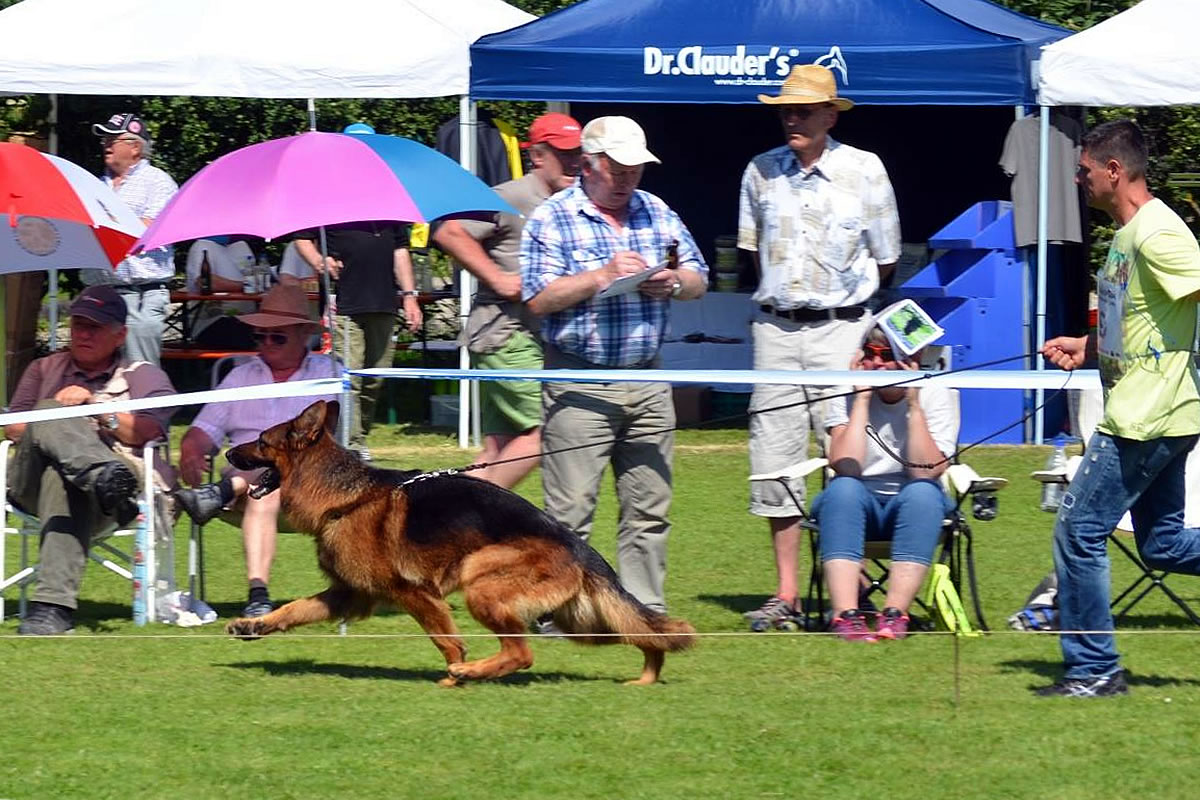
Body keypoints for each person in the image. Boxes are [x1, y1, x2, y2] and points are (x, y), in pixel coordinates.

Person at [1038, 119, 1200, 698]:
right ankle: (1094, 669)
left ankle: (1093, 670)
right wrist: (1086, 348)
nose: (1077, 179)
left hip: (1144, 418)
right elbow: (1141, 322)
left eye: (1083, 170)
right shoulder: (1128, 236)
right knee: (1162, 544)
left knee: (1078, 531)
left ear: (1113, 170)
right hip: (1160, 413)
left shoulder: (1159, 233)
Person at [520, 115, 708, 613]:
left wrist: (674, 282)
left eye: (635, 169)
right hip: (578, 380)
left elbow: (699, 278)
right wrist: (600, 275)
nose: (628, 179)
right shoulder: (553, 218)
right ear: (588, 164)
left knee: (649, 508)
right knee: (569, 511)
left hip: (647, 378)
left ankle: (644, 611)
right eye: (617, 169)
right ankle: (561, 611)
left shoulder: (657, 211)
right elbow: (537, 299)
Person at [738, 64, 902, 627]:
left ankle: (848, 590)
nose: (793, 119)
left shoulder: (865, 169)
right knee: (775, 462)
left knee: (847, 457)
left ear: (831, 115)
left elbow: (887, 257)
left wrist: (847, 313)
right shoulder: (759, 171)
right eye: (786, 110)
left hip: (843, 329)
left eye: (804, 111)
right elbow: (751, 252)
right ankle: (786, 595)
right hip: (776, 332)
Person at [4, 286, 177, 635]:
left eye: (94, 327)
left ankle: (52, 609)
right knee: (48, 410)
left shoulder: (144, 375)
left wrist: (96, 408)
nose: (83, 334)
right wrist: (58, 415)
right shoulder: (43, 368)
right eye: (78, 324)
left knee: (62, 477)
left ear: (121, 335)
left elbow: (146, 430)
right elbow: (12, 427)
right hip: (32, 483)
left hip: (117, 483)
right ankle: (98, 475)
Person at [431, 112, 582, 488]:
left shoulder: (572, 200)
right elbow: (449, 233)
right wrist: (497, 278)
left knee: (498, 447)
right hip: (504, 335)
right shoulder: (509, 196)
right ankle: (484, 512)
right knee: (549, 429)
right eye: (564, 153)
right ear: (538, 156)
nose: (574, 162)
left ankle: (453, 515)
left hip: (526, 337)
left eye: (578, 153)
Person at [173, 284, 339, 617]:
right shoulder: (240, 377)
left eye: (278, 337)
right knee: (262, 492)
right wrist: (191, 449)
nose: (267, 344)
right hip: (252, 478)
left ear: (303, 335)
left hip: (308, 483)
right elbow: (202, 430)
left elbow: (324, 436)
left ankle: (222, 491)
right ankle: (258, 594)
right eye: (260, 336)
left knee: (270, 479)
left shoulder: (329, 373)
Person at [811, 327, 958, 641]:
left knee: (922, 493)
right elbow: (846, 465)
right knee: (843, 489)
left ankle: (894, 615)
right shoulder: (846, 389)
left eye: (887, 355)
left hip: (913, 505)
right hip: (856, 503)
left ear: (909, 359)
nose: (876, 363)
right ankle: (846, 616)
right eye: (870, 354)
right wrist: (862, 400)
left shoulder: (936, 392)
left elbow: (925, 471)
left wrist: (914, 405)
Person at [291, 124, 421, 457]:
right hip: (344, 304)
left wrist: (410, 296)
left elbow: (400, 251)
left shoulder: (391, 199)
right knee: (348, 378)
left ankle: (357, 438)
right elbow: (301, 238)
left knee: (375, 379)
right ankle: (349, 445)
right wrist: (319, 261)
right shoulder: (326, 196)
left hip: (383, 302)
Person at [84, 113, 179, 366]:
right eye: (104, 140)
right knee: (95, 372)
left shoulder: (158, 182)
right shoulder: (95, 185)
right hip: (99, 294)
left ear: (135, 147)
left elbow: (147, 231)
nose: (106, 145)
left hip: (141, 295)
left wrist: (103, 226)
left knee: (139, 372)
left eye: (112, 140)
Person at [184, 237, 259, 349]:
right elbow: (205, 282)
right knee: (242, 333)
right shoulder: (201, 246)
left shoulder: (241, 246)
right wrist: (246, 286)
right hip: (213, 320)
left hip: (248, 317)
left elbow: (256, 275)